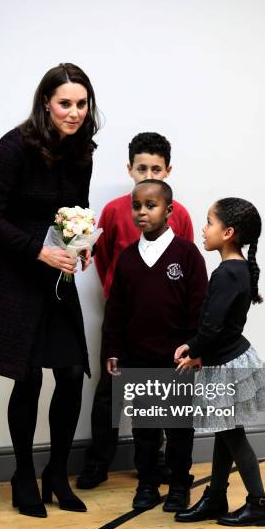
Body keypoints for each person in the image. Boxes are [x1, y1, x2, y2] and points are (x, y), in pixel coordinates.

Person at [0, 63, 100, 518]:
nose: (75, 112)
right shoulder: (13, 147)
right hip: (14, 272)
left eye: (81, 104)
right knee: (28, 375)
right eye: (65, 103)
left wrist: (81, 245)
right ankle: (23, 473)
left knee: (73, 371)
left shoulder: (82, 150)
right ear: (46, 102)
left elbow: (75, 208)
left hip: (56, 272)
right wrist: (39, 251)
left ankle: (56, 474)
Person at [77, 132, 194, 489]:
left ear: (168, 171)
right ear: (129, 169)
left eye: (156, 169)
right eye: (141, 168)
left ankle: (157, 462)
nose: (148, 174)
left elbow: (185, 270)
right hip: (123, 322)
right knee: (109, 392)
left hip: (164, 325)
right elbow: (102, 259)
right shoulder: (114, 211)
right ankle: (99, 461)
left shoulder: (181, 215)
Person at [102, 179, 208, 511]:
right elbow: (115, 308)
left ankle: (179, 485)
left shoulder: (187, 255)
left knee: (178, 430)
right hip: (138, 357)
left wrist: (195, 349)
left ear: (169, 210)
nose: (142, 212)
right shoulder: (128, 259)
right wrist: (113, 349)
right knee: (145, 429)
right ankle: (146, 484)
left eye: (151, 205)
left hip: (176, 361)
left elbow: (199, 308)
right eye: (137, 206)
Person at [173, 197, 265, 527]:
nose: (204, 229)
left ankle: (259, 504)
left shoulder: (227, 273)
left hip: (226, 364)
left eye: (209, 222)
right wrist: (199, 347)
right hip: (228, 357)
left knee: (233, 435)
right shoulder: (238, 269)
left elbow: (213, 327)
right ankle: (216, 496)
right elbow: (221, 324)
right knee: (226, 431)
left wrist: (192, 349)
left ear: (228, 232)